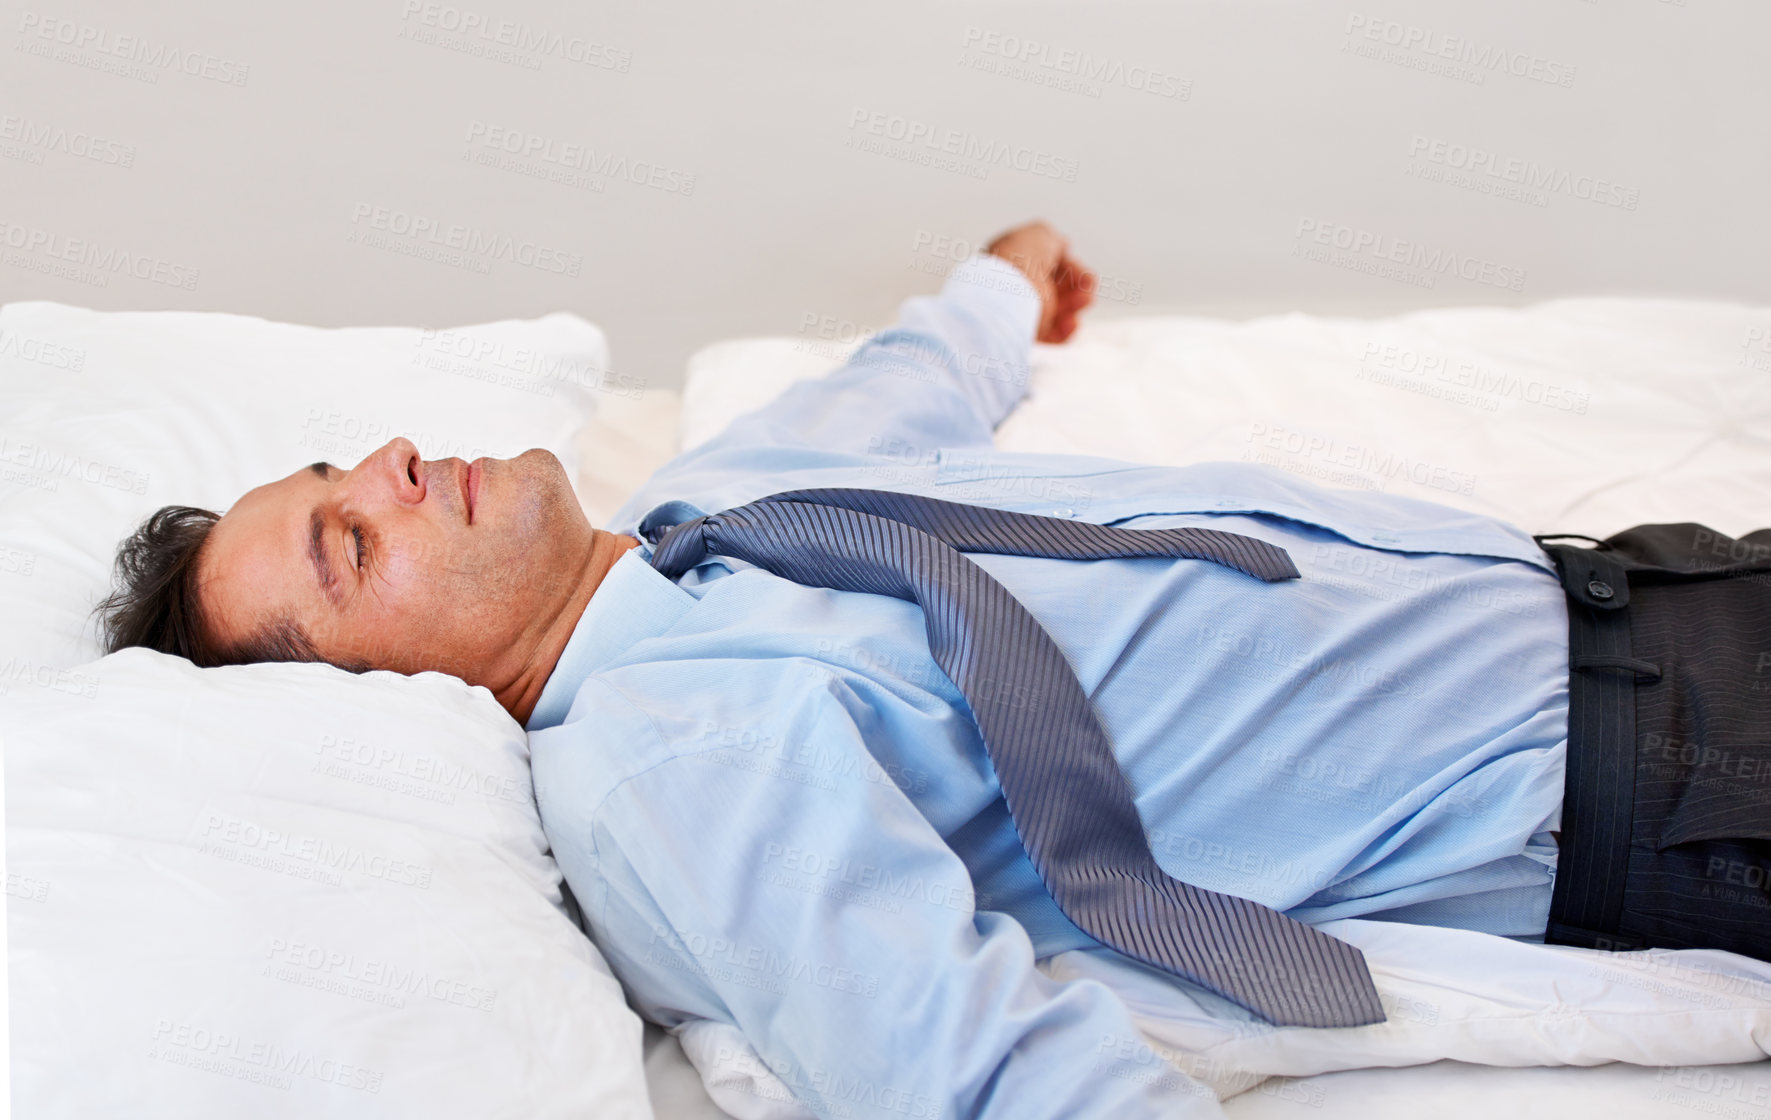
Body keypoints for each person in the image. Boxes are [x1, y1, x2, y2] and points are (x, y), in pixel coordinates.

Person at [96, 222, 1768, 1118]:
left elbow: (909, 392)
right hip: (1669, 776)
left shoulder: (708, 506)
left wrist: (1002, 281)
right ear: (398, 701)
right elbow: (961, 1071)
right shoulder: (667, 760)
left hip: (1650, 584)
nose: (391, 462)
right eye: (349, 548)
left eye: (338, 473)